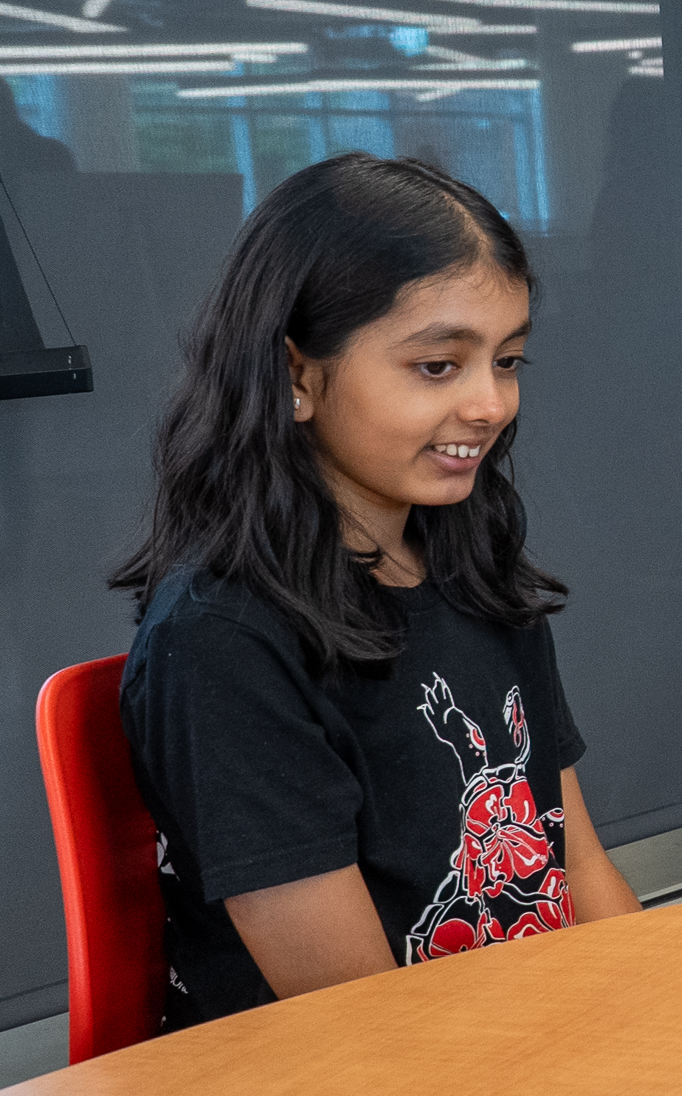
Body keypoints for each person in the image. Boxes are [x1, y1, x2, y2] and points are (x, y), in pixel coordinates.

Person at [113, 153, 639, 1031]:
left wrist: (661, 1025)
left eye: (507, 361)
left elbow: (576, 865)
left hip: (520, 1050)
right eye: (438, 366)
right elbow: (360, 1019)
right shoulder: (221, 641)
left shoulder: (472, 571)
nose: (490, 404)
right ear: (295, 376)